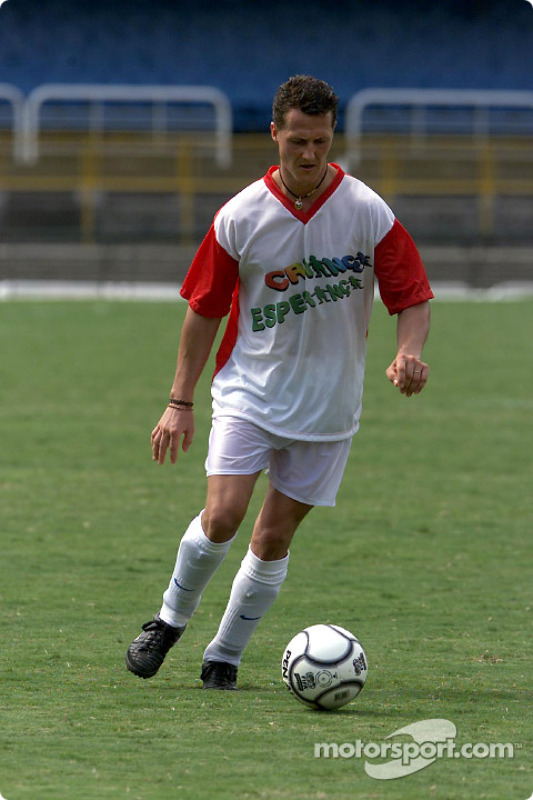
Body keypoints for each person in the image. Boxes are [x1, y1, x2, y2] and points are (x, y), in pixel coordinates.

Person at [125, 75, 433, 690]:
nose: (310, 153)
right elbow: (204, 310)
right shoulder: (241, 215)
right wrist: (178, 402)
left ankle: (225, 656)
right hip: (250, 392)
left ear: (332, 136)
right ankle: (169, 619)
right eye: (298, 140)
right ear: (275, 134)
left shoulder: (366, 210)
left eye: (320, 141)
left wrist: (409, 351)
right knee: (224, 516)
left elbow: (412, 294)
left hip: (329, 407)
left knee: (272, 537)